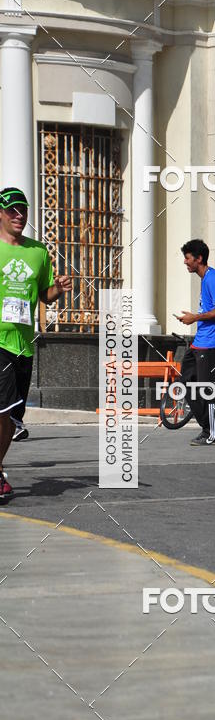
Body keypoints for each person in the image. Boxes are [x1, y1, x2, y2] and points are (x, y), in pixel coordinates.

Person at [0, 187, 71, 498]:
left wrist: (59, 289)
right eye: (12, 210)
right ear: (0, 214)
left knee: (12, 416)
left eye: (23, 210)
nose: (19, 215)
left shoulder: (38, 252)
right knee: (2, 411)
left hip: (23, 344)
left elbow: (45, 295)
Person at [177, 239, 215, 446]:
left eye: (188, 258)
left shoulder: (213, 279)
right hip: (200, 342)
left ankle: (211, 432)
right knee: (186, 382)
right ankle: (208, 425)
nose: (185, 262)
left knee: (207, 389)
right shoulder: (205, 279)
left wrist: (194, 318)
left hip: (210, 344)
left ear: (199, 258)